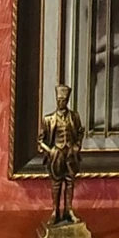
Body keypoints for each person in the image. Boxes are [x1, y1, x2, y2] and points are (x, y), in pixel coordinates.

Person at [38, 84, 85, 225]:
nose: (60, 102)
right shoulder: (48, 119)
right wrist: (50, 150)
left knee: (70, 182)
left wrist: (76, 146)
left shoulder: (74, 117)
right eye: (58, 100)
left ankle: (69, 210)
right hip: (56, 155)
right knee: (56, 183)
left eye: (63, 100)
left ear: (67, 101)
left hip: (70, 154)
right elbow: (40, 141)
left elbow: (80, 133)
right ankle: (55, 211)